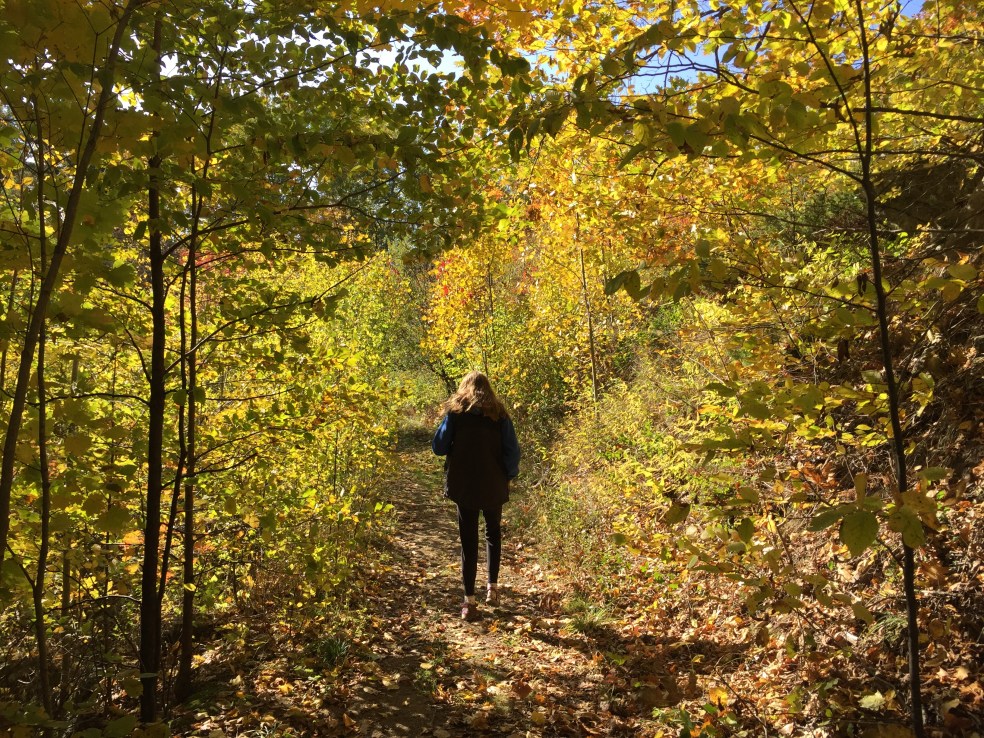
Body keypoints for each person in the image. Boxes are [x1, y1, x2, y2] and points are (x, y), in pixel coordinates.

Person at [432, 371, 520, 621]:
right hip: (493, 483)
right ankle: (492, 588)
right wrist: (508, 475)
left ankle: (469, 602)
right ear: (488, 389)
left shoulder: (456, 413)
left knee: (468, 540)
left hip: (464, 484)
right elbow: (512, 452)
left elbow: (438, 447)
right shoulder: (500, 414)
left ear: (464, 388)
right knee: (493, 532)